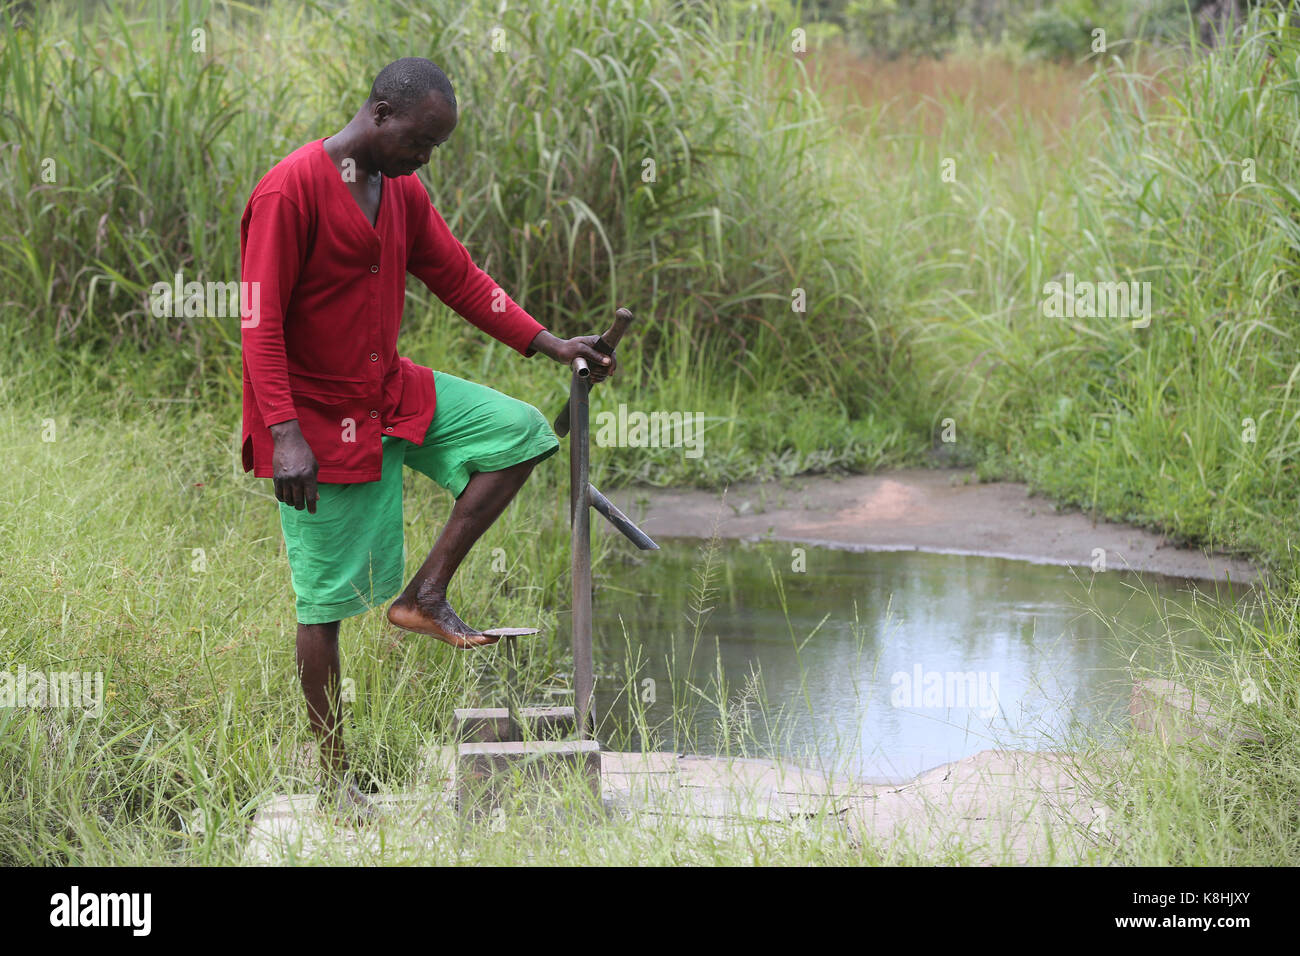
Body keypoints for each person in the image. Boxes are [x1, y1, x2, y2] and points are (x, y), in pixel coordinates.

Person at [239, 57, 615, 819]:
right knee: (323, 606)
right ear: (379, 114)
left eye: (435, 147)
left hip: (392, 393)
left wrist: (551, 344)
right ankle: (335, 785)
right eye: (421, 141)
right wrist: (283, 433)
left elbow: (462, 277)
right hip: (316, 421)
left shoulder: (401, 191)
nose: (425, 159)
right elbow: (258, 319)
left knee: (519, 433)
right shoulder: (291, 190)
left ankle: (426, 592)